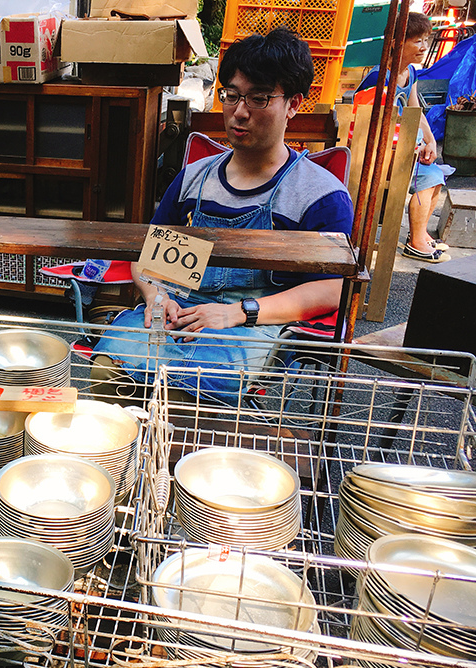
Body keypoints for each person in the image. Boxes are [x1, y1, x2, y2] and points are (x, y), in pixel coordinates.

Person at [91, 28, 354, 403]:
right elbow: (148, 257)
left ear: (294, 104)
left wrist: (238, 312)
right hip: (178, 311)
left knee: (195, 397)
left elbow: (332, 289)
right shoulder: (194, 179)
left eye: (259, 98)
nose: (239, 112)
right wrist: (156, 296)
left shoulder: (320, 195)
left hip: (252, 323)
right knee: (107, 369)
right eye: (231, 95)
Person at [395, 12, 454, 263]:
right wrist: (410, 147)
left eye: (425, 40)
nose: (424, 47)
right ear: (398, 42)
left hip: (411, 146)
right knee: (428, 177)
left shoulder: (410, 72)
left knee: (437, 175)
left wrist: (430, 141)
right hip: (391, 150)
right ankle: (416, 243)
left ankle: (420, 233)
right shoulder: (381, 76)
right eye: (417, 40)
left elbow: (415, 111)